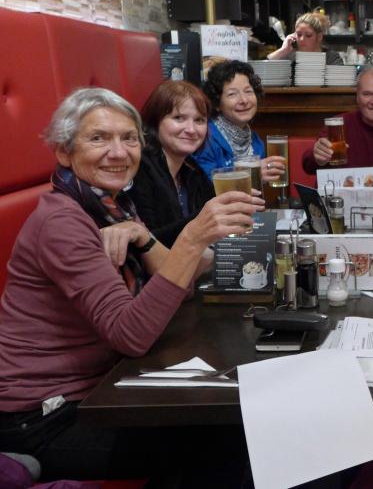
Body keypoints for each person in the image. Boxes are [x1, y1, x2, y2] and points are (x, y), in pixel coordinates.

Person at [0, 87, 263, 481]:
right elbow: (130, 335)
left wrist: (145, 237)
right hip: (43, 416)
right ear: (64, 153)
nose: (119, 152)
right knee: (227, 440)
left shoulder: (110, 205)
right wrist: (192, 238)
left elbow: (179, 290)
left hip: (101, 387)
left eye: (129, 138)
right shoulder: (62, 222)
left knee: (233, 424)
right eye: (98, 138)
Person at [129, 80, 215, 248]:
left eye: (199, 120)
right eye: (179, 118)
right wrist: (205, 217)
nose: (191, 129)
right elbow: (147, 242)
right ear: (155, 121)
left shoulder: (192, 169)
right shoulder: (140, 167)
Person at [194, 60, 286, 182]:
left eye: (248, 91)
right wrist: (250, 175)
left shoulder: (255, 142)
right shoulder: (205, 138)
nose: (244, 100)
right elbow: (202, 185)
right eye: (232, 94)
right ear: (217, 103)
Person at [267, 10, 344, 65]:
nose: (302, 39)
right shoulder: (291, 57)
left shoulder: (331, 58)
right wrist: (283, 50)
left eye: (308, 35)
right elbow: (263, 70)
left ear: (319, 36)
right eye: (299, 34)